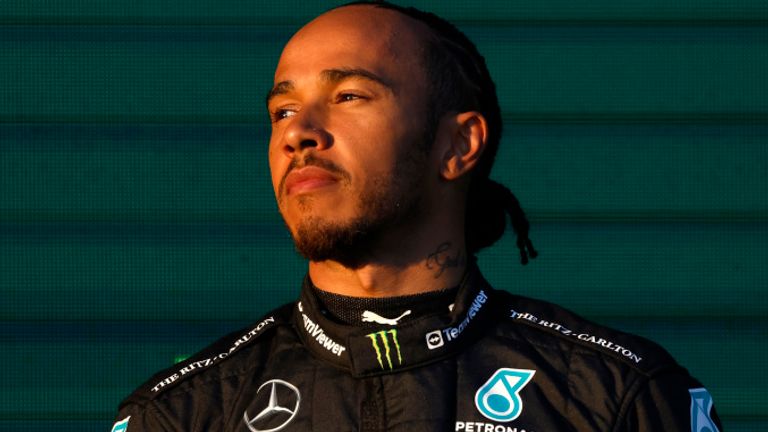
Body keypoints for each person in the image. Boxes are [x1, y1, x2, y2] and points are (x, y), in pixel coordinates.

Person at [111, 2, 723, 431]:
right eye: (281, 110)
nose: (298, 132)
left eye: (348, 96)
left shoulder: (621, 396)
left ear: (458, 146)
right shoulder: (181, 414)